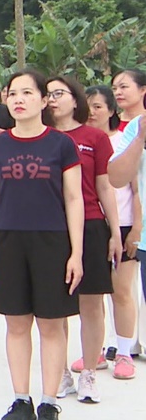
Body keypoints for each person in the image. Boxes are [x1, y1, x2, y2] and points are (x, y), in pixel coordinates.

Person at [0, 69, 84, 420]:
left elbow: (73, 199)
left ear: (43, 100)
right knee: (17, 324)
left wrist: (76, 253)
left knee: (51, 324)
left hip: (52, 241)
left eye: (27, 93)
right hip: (8, 241)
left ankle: (49, 402)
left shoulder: (61, 144)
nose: (19, 100)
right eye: (13, 94)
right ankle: (21, 400)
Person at [46, 76, 120, 403]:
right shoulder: (40, 137)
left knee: (91, 303)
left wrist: (114, 231)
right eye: (47, 94)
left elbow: (104, 186)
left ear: (75, 99)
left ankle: (89, 373)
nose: (52, 99)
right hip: (50, 228)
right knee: (55, 305)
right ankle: (60, 372)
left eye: (58, 93)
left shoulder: (94, 137)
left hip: (90, 224)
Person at [105, 71, 145, 379]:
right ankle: (123, 346)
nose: (118, 92)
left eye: (124, 86)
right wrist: (141, 137)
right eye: (115, 88)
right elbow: (118, 178)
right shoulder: (134, 128)